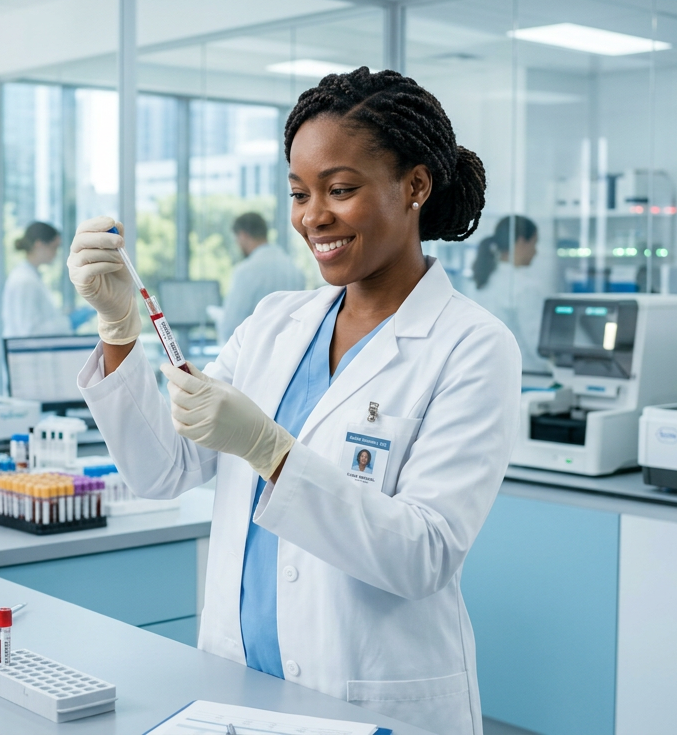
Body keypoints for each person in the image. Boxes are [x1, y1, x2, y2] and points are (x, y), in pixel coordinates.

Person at [68, 68, 519, 733]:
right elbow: (162, 471)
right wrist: (118, 334)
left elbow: (421, 554)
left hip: (372, 697)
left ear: (415, 186)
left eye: (340, 189)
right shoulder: (276, 323)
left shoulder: (472, 346)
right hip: (238, 686)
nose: (313, 216)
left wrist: (270, 451)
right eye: (299, 193)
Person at [467, 215, 548, 371]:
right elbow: (537, 345)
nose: (536, 251)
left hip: (489, 370)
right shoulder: (525, 286)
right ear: (521, 242)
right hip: (526, 374)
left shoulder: (483, 279)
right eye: (534, 243)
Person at [216, 212, 305, 344]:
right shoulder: (295, 270)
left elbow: (230, 328)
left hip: (253, 351)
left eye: (237, 239)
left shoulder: (245, 271)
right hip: (289, 350)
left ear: (243, 235)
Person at [2, 222, 92, 338]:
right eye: (54, 247)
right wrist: (69, 322)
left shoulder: (31, 276)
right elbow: (30, 332)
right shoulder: (24, 281)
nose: (56, 253)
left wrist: (62, 316)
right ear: (39, 245)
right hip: (27, 354)